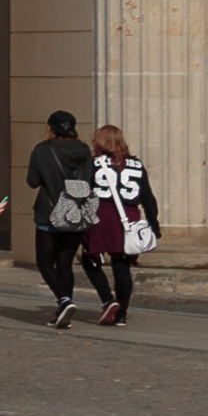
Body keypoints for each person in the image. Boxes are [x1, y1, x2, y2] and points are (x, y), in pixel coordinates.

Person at [75, 124, 159, 327]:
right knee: (122, 266)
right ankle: (121, 312)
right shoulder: (136, 164)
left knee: (90, 259)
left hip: (102, 214)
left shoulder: (94, 163)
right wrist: (153, 223)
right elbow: (147, 196)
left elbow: (83, 190)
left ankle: (108, 299)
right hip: (128, 215)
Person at [26, 107, 97, 322]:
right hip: (75, 212)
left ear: (51, 129)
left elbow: (32, 181)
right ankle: (63, 309)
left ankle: (64, 301)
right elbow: (90, 180)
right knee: (65, 263)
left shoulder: (42, 149)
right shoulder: (84, 150)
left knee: (45, 262)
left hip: (49, 211)